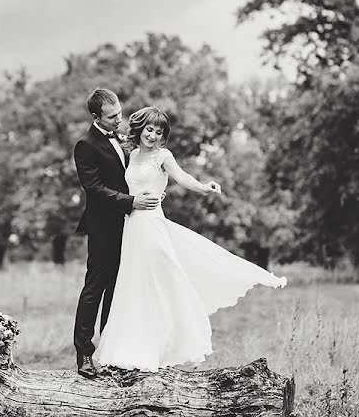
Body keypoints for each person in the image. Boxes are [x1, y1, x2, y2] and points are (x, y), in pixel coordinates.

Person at [93, 106, 287, 372]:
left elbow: (181, 176)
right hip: (132, 227)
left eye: (159, 132)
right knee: (133, 285)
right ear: (139, 129)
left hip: (152, 226)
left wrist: (202, 187)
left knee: (161, 282)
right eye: (149, 130)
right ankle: (131, 351)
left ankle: (166, 341)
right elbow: (125, 188)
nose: (153, 136)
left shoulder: (164, 155)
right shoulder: (132, 155)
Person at [72, 89, 162, 378]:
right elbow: (94, 189)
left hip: (131, 227)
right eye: (112, 117)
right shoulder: (85, 145)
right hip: (103, 228)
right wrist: (131, 202)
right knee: (94, 289)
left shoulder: (123, 142)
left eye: (119, 114)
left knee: (118, 290)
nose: (119, 120)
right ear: (96, 116)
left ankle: (110, 351)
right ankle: (84, 353)